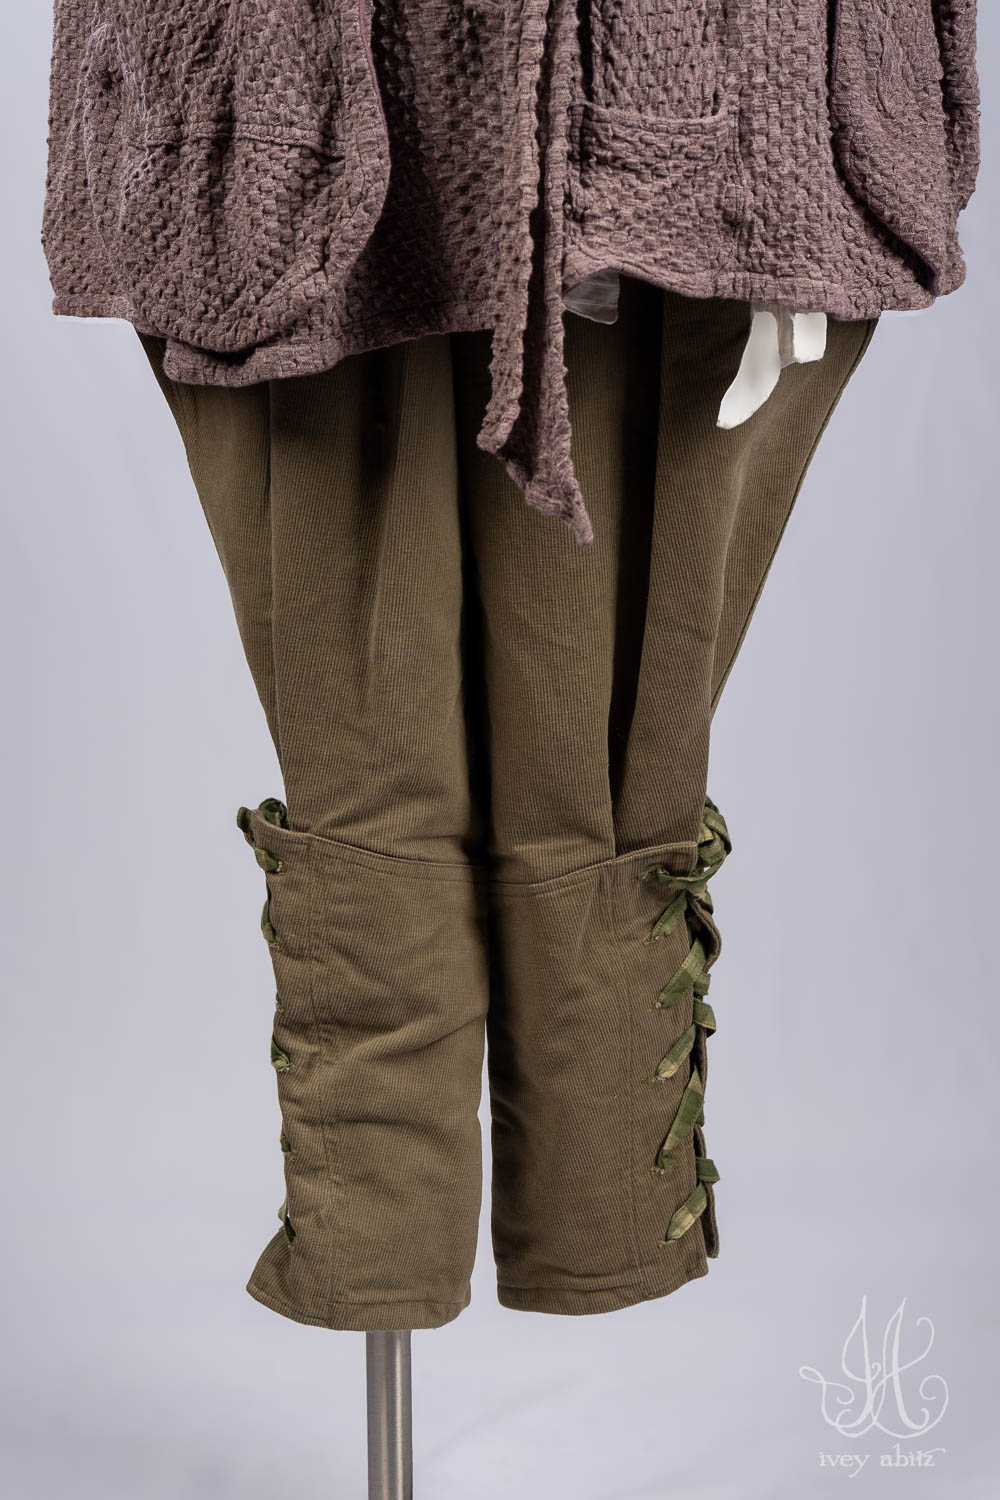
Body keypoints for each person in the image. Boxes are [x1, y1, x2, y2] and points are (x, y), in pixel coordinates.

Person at [41, 1, 980, 1329]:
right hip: (289, 105)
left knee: (588, 768)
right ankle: (382, 1242)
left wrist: (788, 156)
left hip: (684, 108)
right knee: (368, 758)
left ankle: (570, 1225)